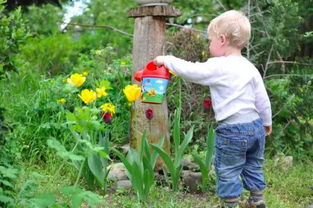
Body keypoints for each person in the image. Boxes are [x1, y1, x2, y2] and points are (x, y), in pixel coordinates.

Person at [154, 10, 272, 208]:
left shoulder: (219, 65)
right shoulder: (249, 67)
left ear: (222, 40)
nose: (209, 45)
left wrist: (166, 60)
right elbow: (263, 99)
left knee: (228, 169)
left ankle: (230, 205)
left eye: (210, 40)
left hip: (233, 130)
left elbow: (192, 71)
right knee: (253, 164)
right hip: (255, 126)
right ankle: (257, 200)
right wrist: (266, 122)